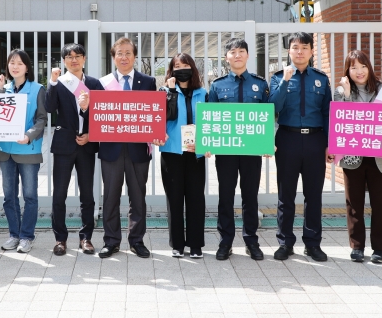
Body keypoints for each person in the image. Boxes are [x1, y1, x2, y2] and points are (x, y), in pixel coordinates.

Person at [334, 50, 382, 264]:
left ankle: (380, 249)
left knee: (380, 204)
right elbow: (341, 121)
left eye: (363, 66)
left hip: (380, 154)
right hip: (352, 156)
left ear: (369, 68)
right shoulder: (341, 92)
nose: (359, 71)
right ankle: (357, 247)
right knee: (354, 204)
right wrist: (347, 95)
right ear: (347, 71)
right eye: (353, 67)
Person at [269, 32, 333, 262]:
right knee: (286, 195)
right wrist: (286, 81)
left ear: (311, 51)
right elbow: (273, 108)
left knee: (313, 194)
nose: (300, 51)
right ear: (289, 51)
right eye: (295, 47)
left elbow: (328, 113)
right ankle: (285, 243)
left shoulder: (321, 78)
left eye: (304, 47)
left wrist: (329, 143)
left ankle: (312, 244)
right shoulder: (278, 78)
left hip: (316, 140)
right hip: (287, 138)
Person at [206, 38, 270, 261]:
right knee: (225, 195)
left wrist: (267, 141)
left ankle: (251, 240)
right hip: (226, 151)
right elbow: (210, 119)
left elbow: (268, 117)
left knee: (250, 196)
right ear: (226, 57)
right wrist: (208, 143)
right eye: (233, 52)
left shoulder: (260, 85)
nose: (237, 55)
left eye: (241, 51)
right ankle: (226, 241)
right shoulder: (217, 85)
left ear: (248, 55)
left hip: (252, 151)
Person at [98, 37, 157, 259]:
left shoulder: (148, 81)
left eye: (128, 53)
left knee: (137, 197)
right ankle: (111, 241)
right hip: (111, 149)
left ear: (134, 56)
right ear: (113, 57)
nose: (124, 57)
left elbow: (154, 114)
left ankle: (137, 241)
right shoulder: (102, 83)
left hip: (138, 150)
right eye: (119, 53)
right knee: (110, 197)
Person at [45, 43, 104, 256]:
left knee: (87, 194)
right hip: (63, 145)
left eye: (78, 56)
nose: (74, 60)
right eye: (69, 57)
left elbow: (102, 114)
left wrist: (91, 134)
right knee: (59, 194)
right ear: (64, 61)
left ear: (84, 59)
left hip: (87, 145)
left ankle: (86, 237)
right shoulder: (59, 83)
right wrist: (51, 82)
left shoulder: (95, 84)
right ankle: (60, 238)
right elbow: (50, 108)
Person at [0, 50, 47, 254]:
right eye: (11, 63)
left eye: (19, 63)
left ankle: (27, 236)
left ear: (27, 67)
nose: (15, 66)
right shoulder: (4, 88)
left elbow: (42, 119)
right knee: (9, 196)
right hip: (5, 150)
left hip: (27, 149)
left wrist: (29, 135)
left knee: (29, 196)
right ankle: (13, 234)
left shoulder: (37, 89)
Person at [160, 53, 207, 259]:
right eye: (176, 66)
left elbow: (210, 121)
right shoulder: (165, 91)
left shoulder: (202, 92)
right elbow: (166, 116)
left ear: (192, 68)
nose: (181, 69)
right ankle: (177, 244)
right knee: (175, 198)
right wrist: (171, 90)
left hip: (195, 152)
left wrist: (207, 142)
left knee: (196, 199)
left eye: (185, 65)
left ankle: (195, 245)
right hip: (172, 152)